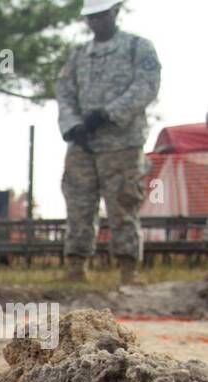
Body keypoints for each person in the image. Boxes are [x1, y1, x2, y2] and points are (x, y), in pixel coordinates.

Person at [57, 0, 161, 284]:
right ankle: (76, 268)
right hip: (83, 144)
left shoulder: (137, 48)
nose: (96, 22)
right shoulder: (78, 56)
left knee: (123, 203)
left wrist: (107, 114)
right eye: (91, 18)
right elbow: (64, 92)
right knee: (78, 203)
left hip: (122, 142)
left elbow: (146, 85)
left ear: (115, 12)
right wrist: (74, 126)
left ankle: (129, 269)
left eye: (101, 16)